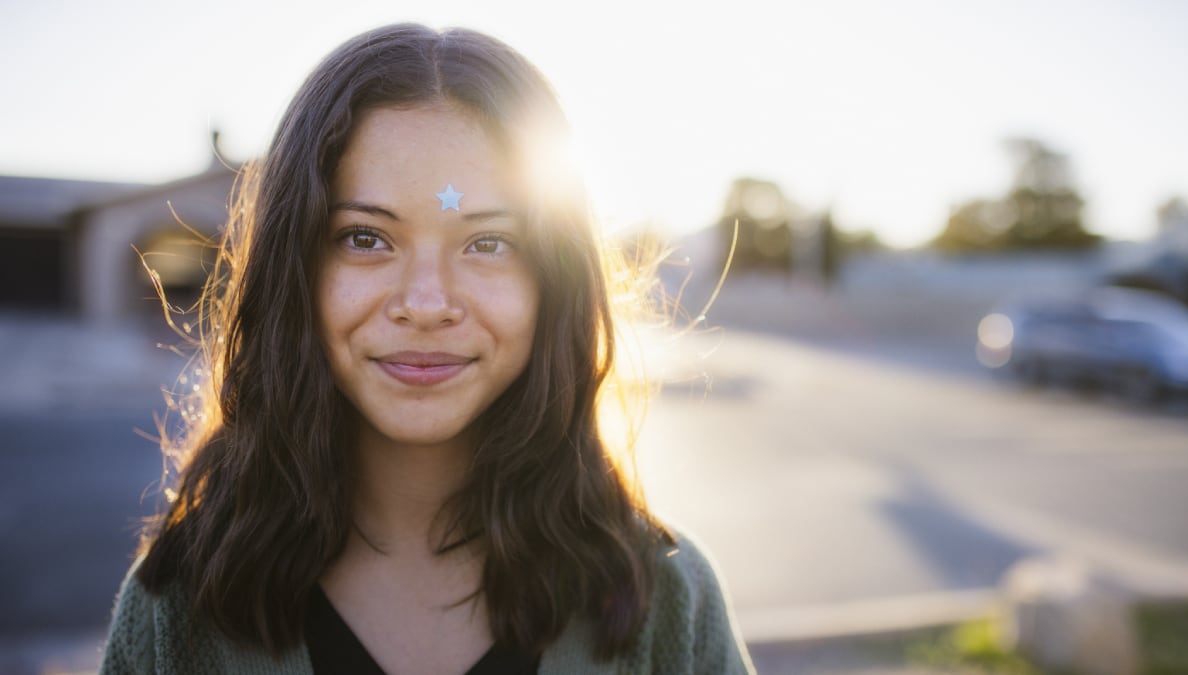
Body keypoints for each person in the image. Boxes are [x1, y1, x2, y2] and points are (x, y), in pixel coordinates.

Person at [101, 23, 754, 674]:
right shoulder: (177, 610)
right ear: (293, 269)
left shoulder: (668, 600)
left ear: (554, 282)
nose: (426, 302)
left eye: (489, 242)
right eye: (364, 237)